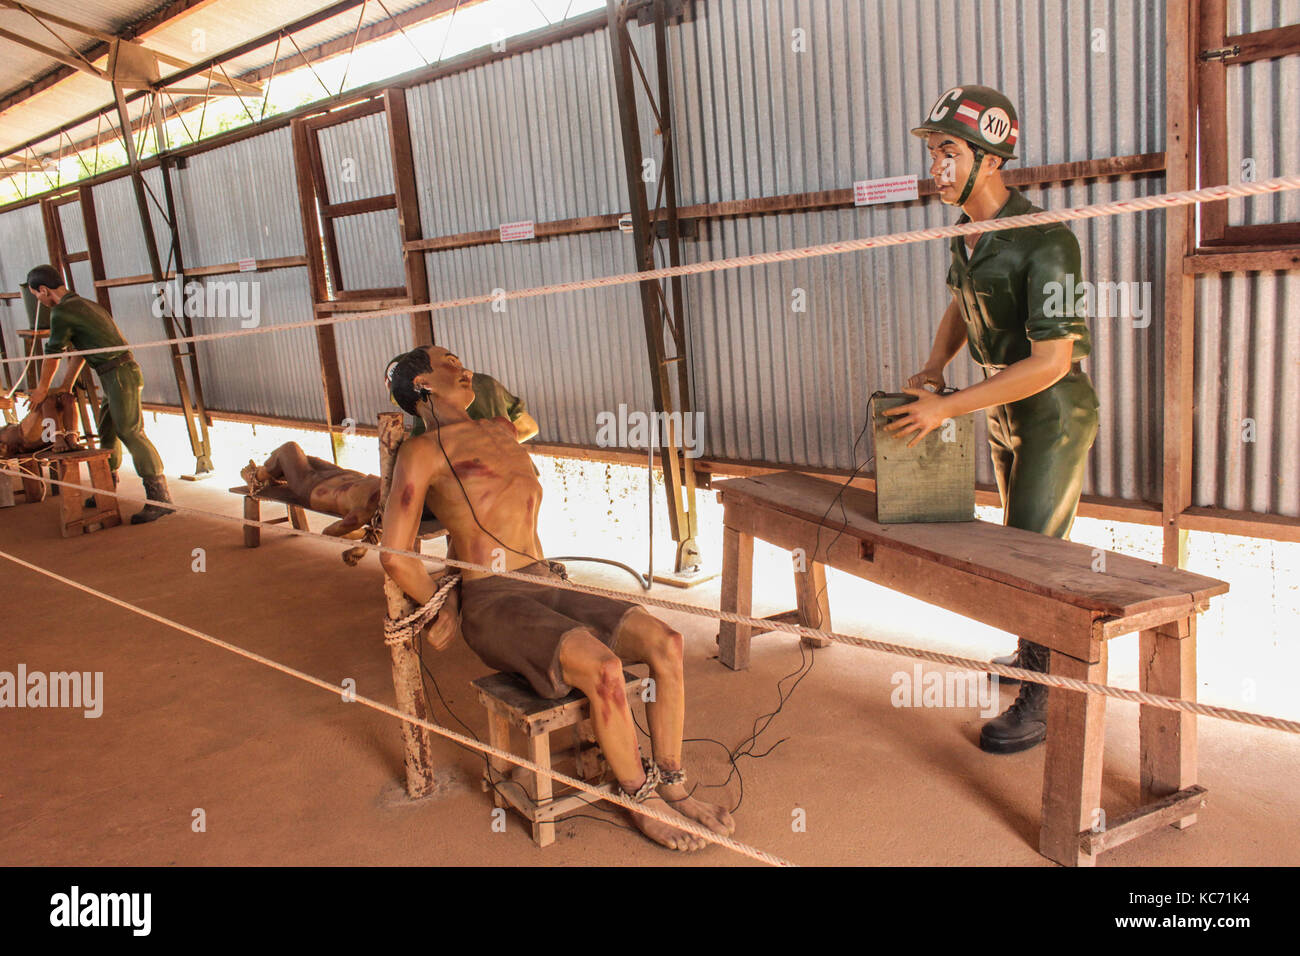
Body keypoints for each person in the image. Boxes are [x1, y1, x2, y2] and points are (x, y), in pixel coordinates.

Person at [379, 345, 734, 851]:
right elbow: (395, 553)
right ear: (423, 385)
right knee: (605, 668)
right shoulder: (421, 453)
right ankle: (639, 796)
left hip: (547, 581)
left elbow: (515, 448)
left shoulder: (501, 431)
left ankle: (672, 783)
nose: (466, 369)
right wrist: (445, 605)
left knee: (667, 641)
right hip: (493, 598)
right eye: (450, 364)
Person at [885, 85, 1100, 754]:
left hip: (1051, 411)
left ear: (991, 157)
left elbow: (1053, 362)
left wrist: (944, 408)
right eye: (932, 151)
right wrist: (932, 368)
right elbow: (959, 306)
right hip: (1001, 404)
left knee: (1036, 555)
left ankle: (1043, 697)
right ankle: (1030, 652)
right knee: (1019, 543)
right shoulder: (967, 234)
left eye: (948, 151)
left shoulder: (1049, 243)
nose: (936, 166)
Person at [24, 265, 173, 524]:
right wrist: (66, 386)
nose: (40, 301)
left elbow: (52, 355)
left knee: (130, 431)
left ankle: (160, 497)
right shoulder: (85, 305)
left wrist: (42, 389)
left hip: (120, 375)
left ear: (44, 290)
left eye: (37, 296)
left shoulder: (62, 312)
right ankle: (106, 486)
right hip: (113, 376)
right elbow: (82, 350)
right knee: (107, 430)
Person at [241, 443, 379, 538]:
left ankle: (256, 479)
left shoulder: (364, 511)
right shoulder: (392, 485)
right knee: (304, 459)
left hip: (312, 486)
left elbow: (328, 533)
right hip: (339, 474)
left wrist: (365, 534)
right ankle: (270, 474)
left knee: (289, 449)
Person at [408, 370, 538, 442]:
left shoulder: (426, 406)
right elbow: (529, 428)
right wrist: (505, 447)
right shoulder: (486, 382)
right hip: (522, 477)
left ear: (421, 382)